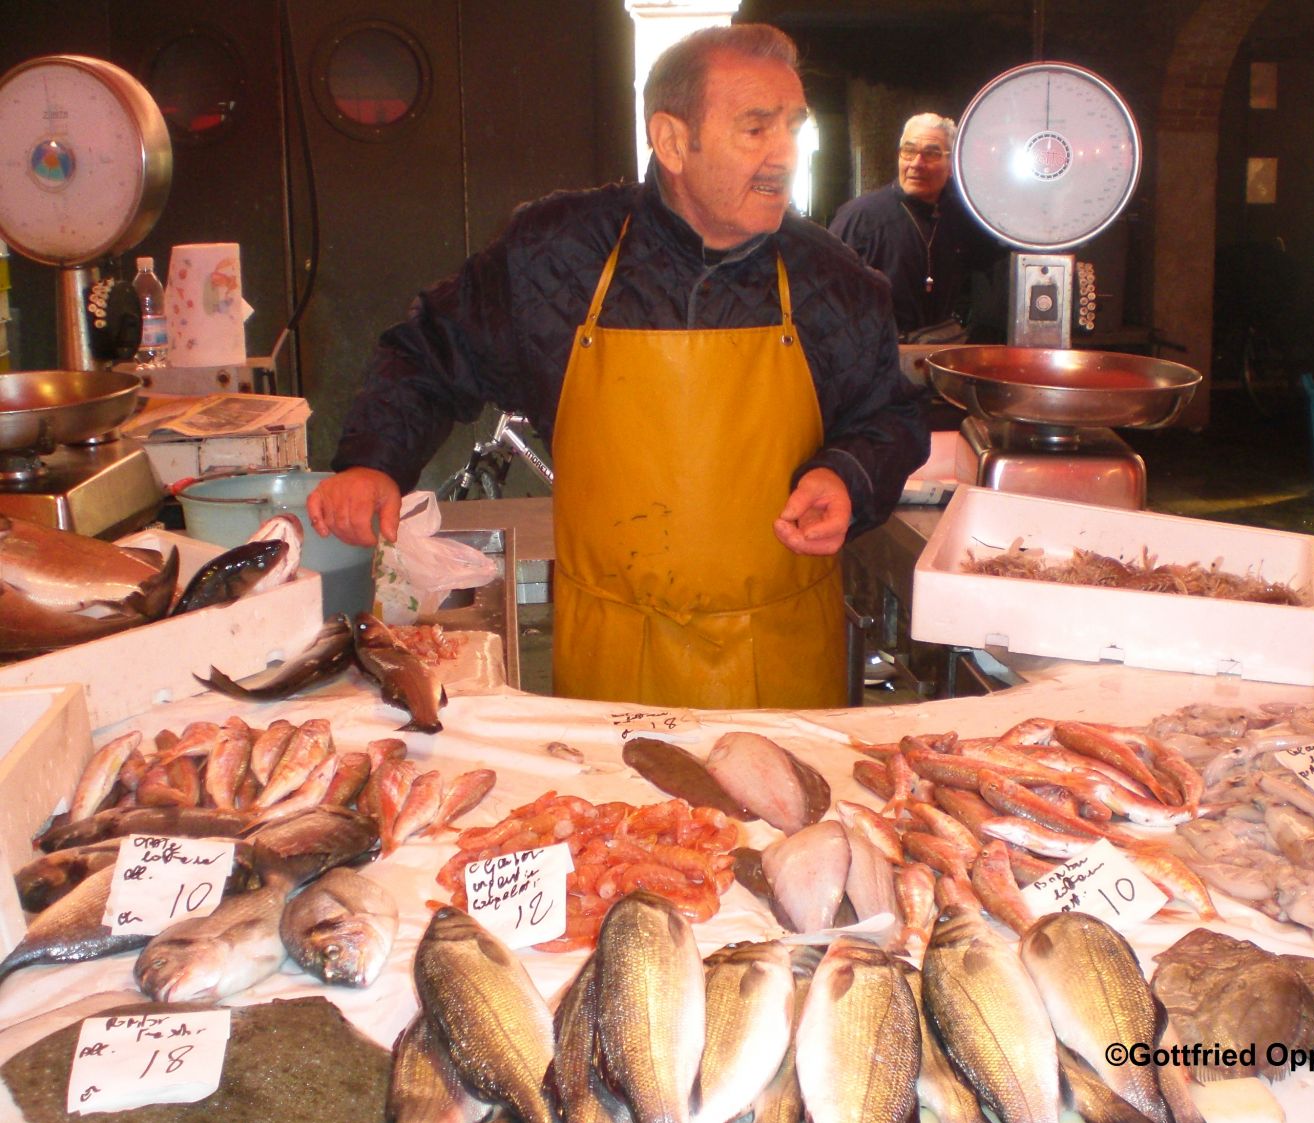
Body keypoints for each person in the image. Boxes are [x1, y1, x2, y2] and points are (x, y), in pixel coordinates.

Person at [306, 23, 928, 712]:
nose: (784, 152)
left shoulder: (834, 279)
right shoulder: (559, 254)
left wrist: (846, 474)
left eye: (793, 126)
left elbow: (890, 416)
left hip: (780, 659)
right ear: (671, 141)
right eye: (756, 128)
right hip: (607, 656)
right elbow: (429, 352)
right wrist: (374, 460)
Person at [829, 113, 998, 340]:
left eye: (931, 153)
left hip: (940, 348)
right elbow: (827, 298)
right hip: (877, 352)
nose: (917, 163)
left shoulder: (962, 215)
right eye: (908, 151)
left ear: (952, 165)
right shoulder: (859, 217)